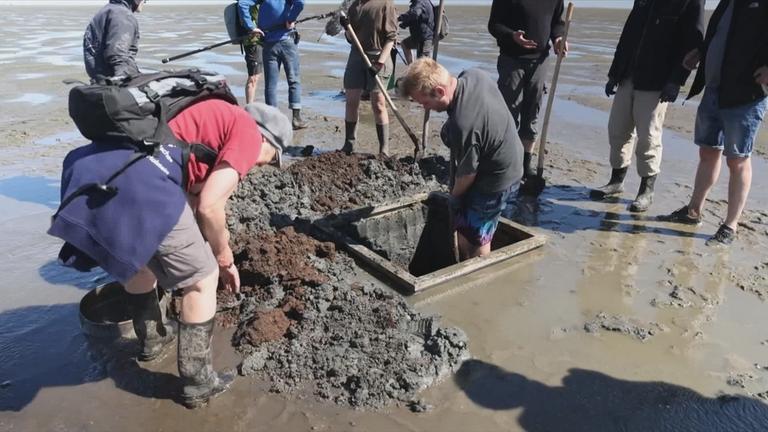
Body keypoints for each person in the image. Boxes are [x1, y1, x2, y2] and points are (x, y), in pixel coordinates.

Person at [48, 99, 290, 408]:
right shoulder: (247, 134)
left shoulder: (210, 116)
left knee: (143, 261)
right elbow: (210, 206)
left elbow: (189, 195)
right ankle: (198, 382)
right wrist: (223, 255)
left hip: (105, 173)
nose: (261, 167)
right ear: (267, 138)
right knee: (203, 278)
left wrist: (198, 242)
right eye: (270, 160)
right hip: (143, 186)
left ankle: (153, 339)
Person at [658, 0, 768, 246]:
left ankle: (731, 224)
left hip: (745, 94)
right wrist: (701, 52)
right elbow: (720, 34)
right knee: (708, 151)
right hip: (714, 88)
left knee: (738, 159)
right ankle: (693, 211)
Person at [399, 58, 523, 259]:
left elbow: (466, 176)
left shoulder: (463, 125)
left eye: (425, 103)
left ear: (440, 91)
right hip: (508, 153)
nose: (425, 108)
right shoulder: (473, 75)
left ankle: (478, 274)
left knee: (474, 238)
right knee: (467, 228)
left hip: (497, 178)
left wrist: (454, 198)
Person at [590, 0, 705, 213]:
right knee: (617, 130)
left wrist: (676, 80)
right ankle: (616, 181)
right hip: (628, 75)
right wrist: (614, 73)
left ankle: (646, 190)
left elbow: (694, 44)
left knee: (649, 137)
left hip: (657, 81)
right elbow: (629, 34)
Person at [488, 0, 567, 180]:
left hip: (540, 61)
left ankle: (525, 165)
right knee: (508, 112)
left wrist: (558, 39)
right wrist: (512, 35)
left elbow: (557, 23)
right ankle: (505, 162)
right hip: (511, 59)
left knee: (532, 111)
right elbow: (494, 25)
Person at [340, 0, 397, 156]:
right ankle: (349, 143)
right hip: (356, 56)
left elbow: (391, 38)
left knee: (378, 104)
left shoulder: (386, 4)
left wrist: (379, 63)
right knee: (351, 101)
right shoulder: (354, 6)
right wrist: (346, 28)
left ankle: (384, 149)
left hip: (379, 56)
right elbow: (352, 38)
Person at [255, 0, 308, 130]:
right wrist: (290, 19)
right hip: (286, 41)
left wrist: (251, 27)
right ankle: (296, 119)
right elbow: (300, 2)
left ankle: (272, 121)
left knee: (271, 85)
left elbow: (242, 4)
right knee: (294, 79)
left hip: (269, 44)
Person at [83, 0, 145, 81]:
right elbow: (117, 54)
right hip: (113, 80)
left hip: (100, 78)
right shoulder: (123, 15)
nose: (145, 2)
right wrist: (124, 80)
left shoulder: (107, 10)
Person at [237, 0, 265, 104]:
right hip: (253, 41)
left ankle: (252, 106)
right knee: (253, 77)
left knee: (258, 76)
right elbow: (242, 3)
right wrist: (251, 27)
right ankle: (250, 109)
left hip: (261, 40)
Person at [397, 0, 434, 64]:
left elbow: (414, 13)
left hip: (425, 37)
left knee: (423, 65)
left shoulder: (420, 1)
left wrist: (399, 18)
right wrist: (403, 24)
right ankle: (411, 67)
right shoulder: (418, 2)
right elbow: (416, 18)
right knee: (405, 44)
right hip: (418, 37)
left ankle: (416, 70)